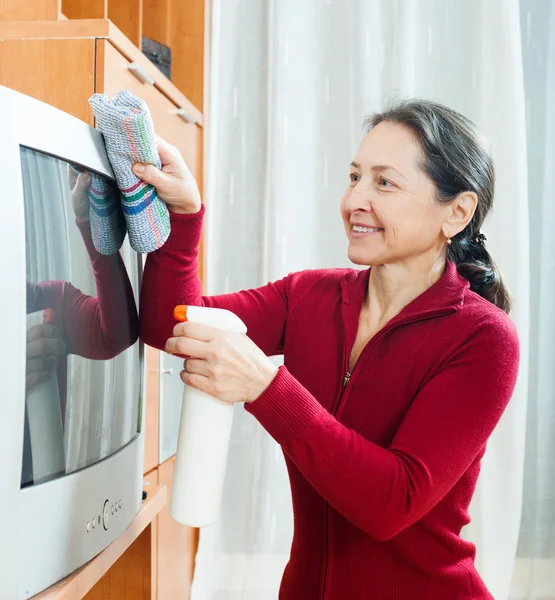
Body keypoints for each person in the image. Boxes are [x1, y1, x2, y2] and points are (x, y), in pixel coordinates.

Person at [137, 99, 520, 600]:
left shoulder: (483, 338)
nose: (354, 199)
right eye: (355, 176)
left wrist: (266, 388)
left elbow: (391, 503)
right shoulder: (309, 297)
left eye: (384, 182)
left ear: (457, 212)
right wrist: (184, 215)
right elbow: (173, 324)